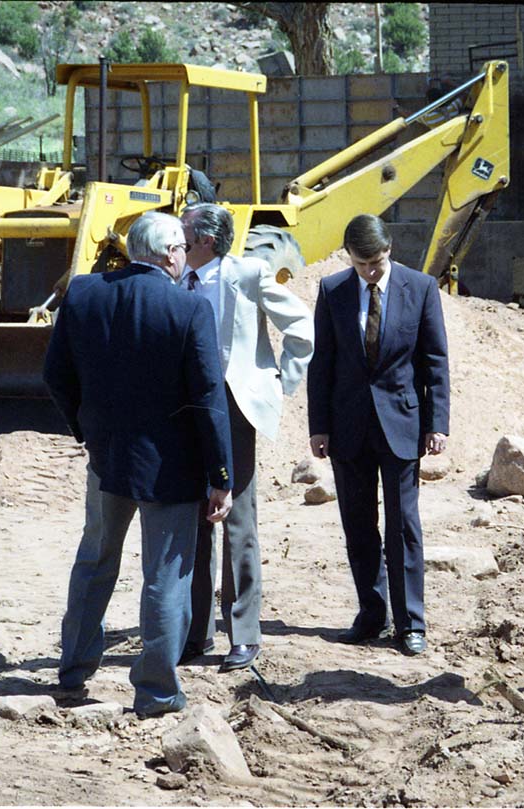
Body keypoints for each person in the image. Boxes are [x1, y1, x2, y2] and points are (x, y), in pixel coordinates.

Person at [43, 211, 234, 717]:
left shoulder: (85, 293)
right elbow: (208, 397)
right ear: (170, 254)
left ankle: (73, 672)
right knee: (165, 578)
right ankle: (157, 692)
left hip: (106, 459)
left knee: (94, 562)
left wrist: (86, 429)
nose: (184, 256)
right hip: (171, 469)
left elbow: (56, 374)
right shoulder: (189, 307)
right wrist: (220, 475)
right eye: (182, 249)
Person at [178, 204, 315, 672]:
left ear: (206, 241)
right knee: (194, 519)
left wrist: (277, 383)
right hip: (186, 411)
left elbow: (300, 326)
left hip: (234, 408)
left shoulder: (249, 274)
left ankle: (244, 633)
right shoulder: (175, 278)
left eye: (184, 233)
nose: (177, 241)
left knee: (236, 519)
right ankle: (196, 631)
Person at [307, 214, 449, 656]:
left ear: (390, 250)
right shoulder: (332, 290)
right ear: (349, 257)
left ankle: (411, 623)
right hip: (348, 427)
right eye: (362, 264)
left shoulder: (420, 288)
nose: (371, 271)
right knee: (358, 523)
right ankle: (371, 614)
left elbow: (435, 361)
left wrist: (437, 423)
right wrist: (319, 425)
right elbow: (322, 362)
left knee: (403, 525)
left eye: (378, 262)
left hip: (402, 424)